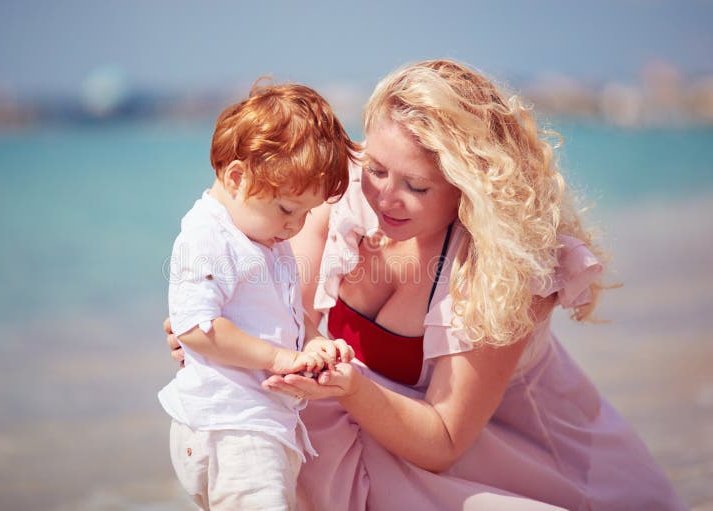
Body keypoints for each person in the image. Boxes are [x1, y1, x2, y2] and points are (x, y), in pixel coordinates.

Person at [165, 60, 686, 510]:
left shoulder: (502, 267)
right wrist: (219, 328)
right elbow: (286, 320)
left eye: (417, 186)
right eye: (377, 168)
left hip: (510, 458)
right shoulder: (333, 195)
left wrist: (350, 386)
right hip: (367, 435)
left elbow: (443, 441)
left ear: (470, 188)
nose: (386, 198)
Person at [158, 81, 357, 510]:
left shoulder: (266, 238)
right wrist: (279, 359)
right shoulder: (208, 235)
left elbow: (287, 316)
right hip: (231, 427)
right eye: (288, 209)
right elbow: (195, 327)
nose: (296, 226)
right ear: (236, 177)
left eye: (307, 213)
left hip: (258, 425)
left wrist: (313, 341)